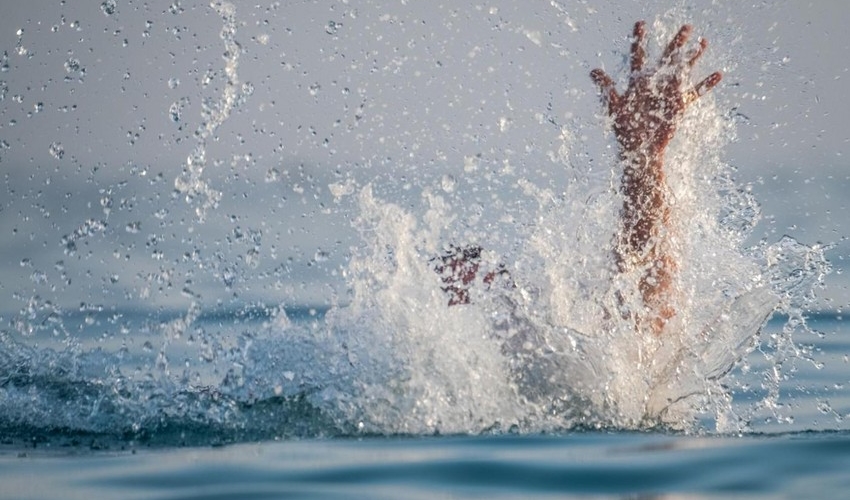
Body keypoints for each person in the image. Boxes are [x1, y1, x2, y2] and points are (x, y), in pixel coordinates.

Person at [438, 22, 722, 337]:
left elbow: (643, 317)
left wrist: (643, 159)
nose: (455, 304)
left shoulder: (546, 333)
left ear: (494, 278)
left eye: (466, 288)